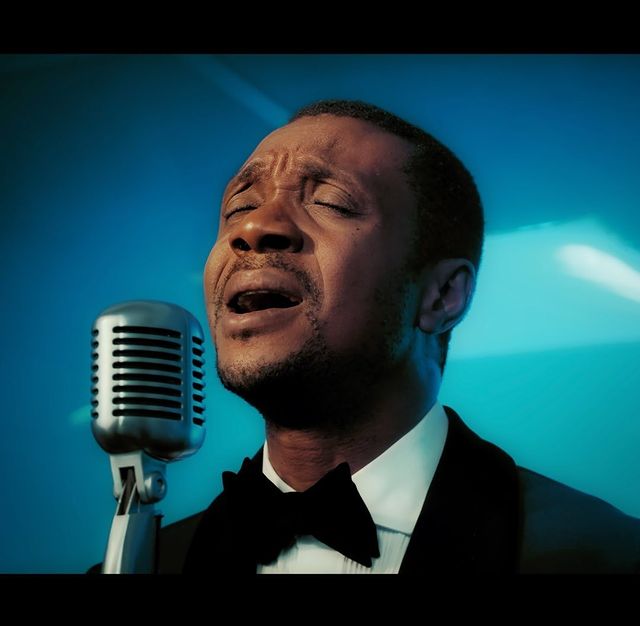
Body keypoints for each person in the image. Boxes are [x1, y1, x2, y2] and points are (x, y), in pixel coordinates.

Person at [96, 99, 640, 574]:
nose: (253, 228)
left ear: (441, 296)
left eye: (329, 202)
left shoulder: (607, 555)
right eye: (239, 207)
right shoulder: (142, 564)